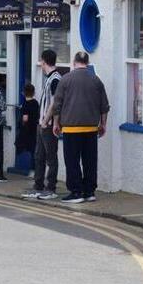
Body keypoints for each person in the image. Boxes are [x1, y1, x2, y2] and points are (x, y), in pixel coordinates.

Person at [51, 51, 109, 203]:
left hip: (71, 129)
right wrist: (103, 124)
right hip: (91, 129)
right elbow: (104, 106)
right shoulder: (96, 80)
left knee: (72, 161)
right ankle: (89, 192)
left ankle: (76, 192)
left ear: (74, 62)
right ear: (87, 62)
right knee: (90, 161)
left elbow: (57, 105)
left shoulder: (66, 80)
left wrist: (56, 124)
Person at [23, 49, 61, 200]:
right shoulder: (50, 78)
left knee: (51, 158)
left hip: (49, 125)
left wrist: (46, 121)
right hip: (42, 124)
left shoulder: (55, 79)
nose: (41, 65)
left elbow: (55, 103)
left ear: (44, 62)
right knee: (39, 156)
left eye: (41, 62)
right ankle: (38, 186)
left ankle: (50, 188)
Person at [14, 82, 39, 169]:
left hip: (26, 129)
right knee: (33, 148)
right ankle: (34, 167)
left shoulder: (25, 104)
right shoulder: (35, 103)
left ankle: (22, 166)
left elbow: (25, 118)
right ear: (33, 93)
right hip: (34, 128)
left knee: (21, 145)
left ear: (24, 93)